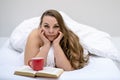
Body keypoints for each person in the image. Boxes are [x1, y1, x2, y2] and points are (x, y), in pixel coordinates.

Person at [24, 9, 89, 71]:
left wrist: (56, 44)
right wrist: (46, 45)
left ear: (61, 27)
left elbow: (68, 69)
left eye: (56, 26)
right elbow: (29, 66)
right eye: (46, 26)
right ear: (41, 26)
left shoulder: (70, 38)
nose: (51, 31)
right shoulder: (35, 35)